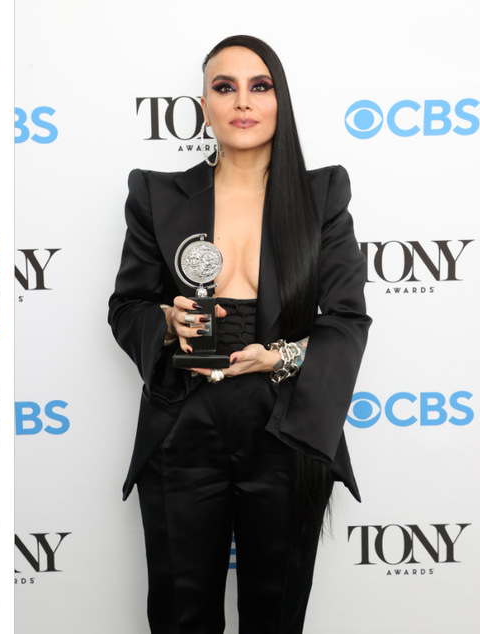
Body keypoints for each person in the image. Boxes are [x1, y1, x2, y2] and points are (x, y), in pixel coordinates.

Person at [108, 35, 370, 633]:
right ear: (204, 106)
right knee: (179, 615)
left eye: (260, 86)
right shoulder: (156, 194)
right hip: (183, 426)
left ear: (281, 100)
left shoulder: (321, 195)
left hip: (288, 422)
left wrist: (275, 358)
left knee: (275, 615)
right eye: (224, 88)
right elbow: (127, 308)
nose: (242, 102)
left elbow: (347, 320)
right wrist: (166, 323)